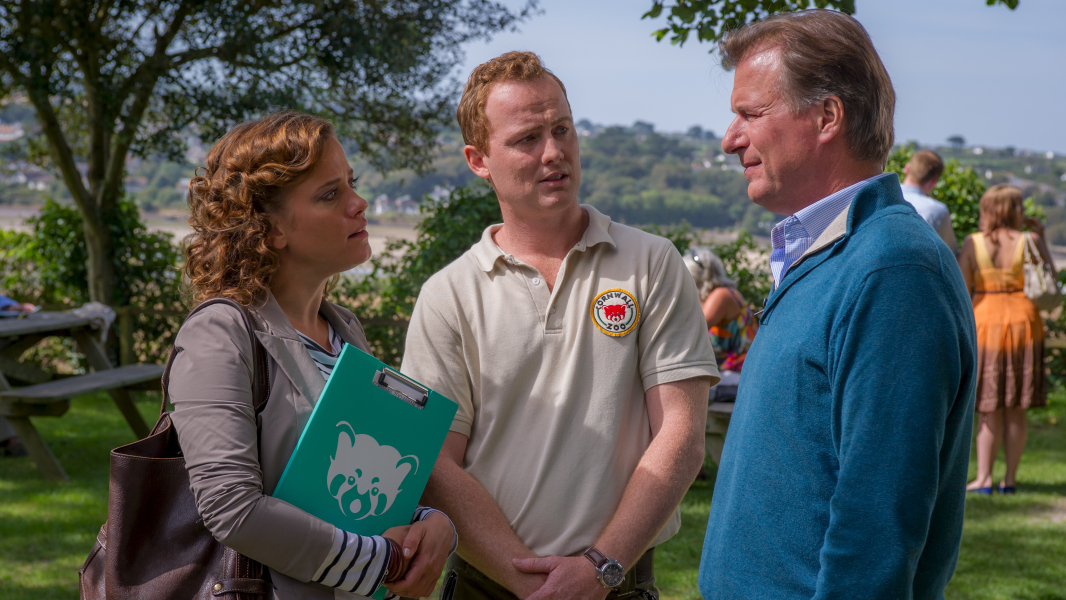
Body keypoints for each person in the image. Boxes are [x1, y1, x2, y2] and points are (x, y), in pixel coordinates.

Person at [401, 52, 719, 600]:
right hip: (484, 588)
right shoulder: (448, 294)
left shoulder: (650, 263)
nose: (554, 152)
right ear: (478, 160)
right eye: (527, 138)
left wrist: (600, 568)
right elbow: (435, 462)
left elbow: (682, 435)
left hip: (618, 583)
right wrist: (532, 585)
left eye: (562, 129)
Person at [698, 11, 976, 600]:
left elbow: (876, 524)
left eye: (750, 114)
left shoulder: (893, 269)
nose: (729, 139)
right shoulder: (837, 253)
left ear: (827, 116)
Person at [170, 112, 456, 600]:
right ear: (269, 229)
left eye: (352, 184)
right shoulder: (220, 333)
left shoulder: (343, 330)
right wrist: (384, 562)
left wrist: (433, 525)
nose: (359, 204)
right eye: (329, 194)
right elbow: (230, 508)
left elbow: (355, 481)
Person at [956, 184, 1053, 494]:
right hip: (1025, 323)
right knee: (1016, 407)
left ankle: (983, 478)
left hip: (986, 323)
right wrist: (1042, 238)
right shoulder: (1030, 240)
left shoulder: (973, 242)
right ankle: (1009, 480)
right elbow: (1049, 279)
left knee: (988, 407)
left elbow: (962, 288)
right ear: (1014, 210)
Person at [682, 247, 758, 373]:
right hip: (732, 372)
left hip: (736, 373)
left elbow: (691, 331)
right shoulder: (725, 293)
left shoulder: (721, 295)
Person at [901, 149, 957, 253]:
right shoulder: (937, 210)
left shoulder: (883, 197)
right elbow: (950, 252)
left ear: (907, 168)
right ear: (934, 181)